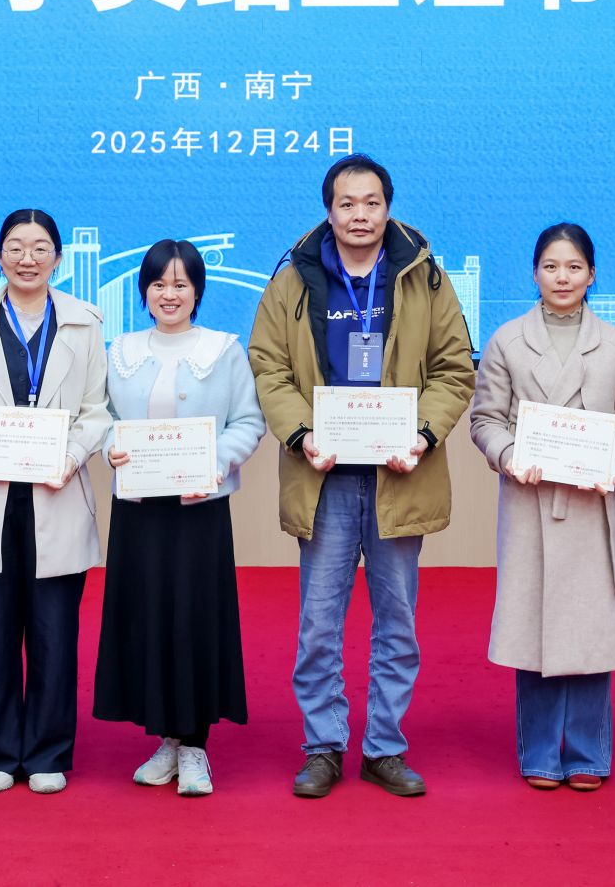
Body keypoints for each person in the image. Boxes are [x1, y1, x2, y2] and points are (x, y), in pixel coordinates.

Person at [248, 154, 477, 799]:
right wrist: (302, 434)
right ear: (329, 210)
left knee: (397, 624)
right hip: (323, 475)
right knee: (318, 625)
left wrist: (423, 434)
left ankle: (384, 748)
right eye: (347, 203)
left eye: (371, 202)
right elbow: (267, 365)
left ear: (387, 208)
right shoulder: (293, 279)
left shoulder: (424, 276)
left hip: (400, 474)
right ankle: (323, 747)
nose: (359, 215)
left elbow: (454, 367)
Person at [0, 209, 112, 793]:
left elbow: (97, 411)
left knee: (55, 633)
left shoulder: (84, 323)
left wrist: (70, 456)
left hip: (57, 492)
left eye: (39, 248)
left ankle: (48, 752)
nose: (27, 258)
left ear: (58, 257)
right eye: (15, 246)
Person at [469, 223, 615, 792]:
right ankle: (542, 753)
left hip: (592, 505)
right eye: (551, 266)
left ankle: (589, 753)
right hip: (532, 502)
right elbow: (485, 419)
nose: (562, 277)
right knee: (535, 626)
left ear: (592, 274)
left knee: (591, 631)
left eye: (574, 267)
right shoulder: (507, 340)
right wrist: (508, 456)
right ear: (534, 273)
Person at [93, 240, 265, 797]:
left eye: (181, 285)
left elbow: (248, 421)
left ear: (197, 291)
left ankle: (194, 746)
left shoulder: (223, 349)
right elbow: (100, 417)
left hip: (199, 509)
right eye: (159, 284)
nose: (169, 295)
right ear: (144, 291)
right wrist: (111, 445)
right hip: (139, 510)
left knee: (195, 619)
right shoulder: (120, 350)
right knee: (146, 619)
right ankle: (165, 740)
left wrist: (215, 463)